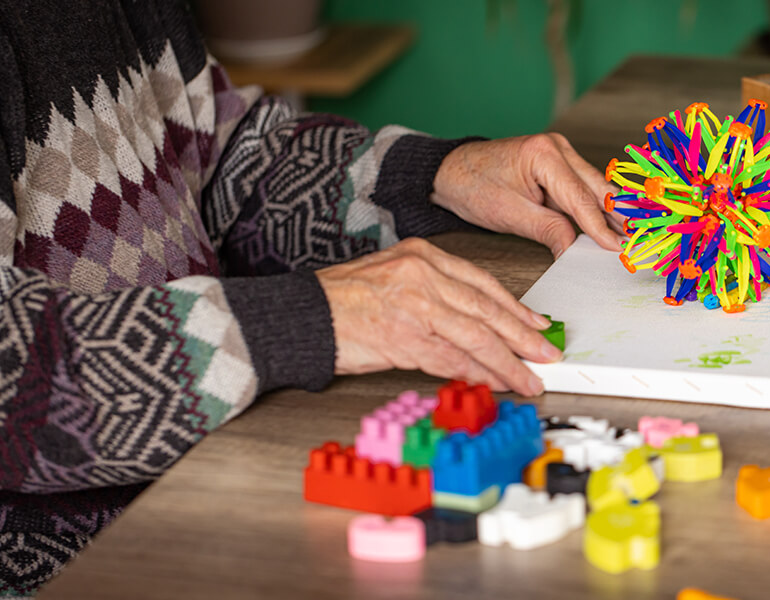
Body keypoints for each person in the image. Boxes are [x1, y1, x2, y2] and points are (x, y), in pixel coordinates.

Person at [0, 1, 623, 594]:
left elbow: (224, 164)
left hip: (210, 472)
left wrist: (431, 175)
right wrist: (298, 320)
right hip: (75, 564)